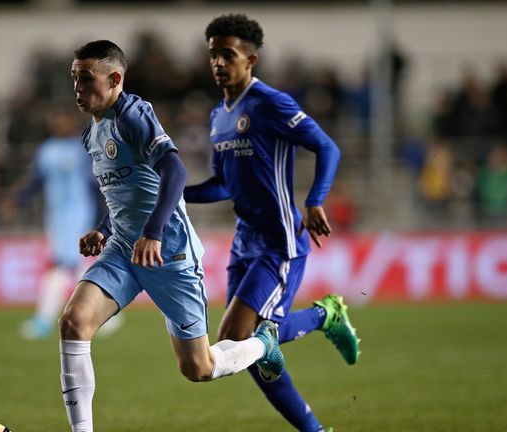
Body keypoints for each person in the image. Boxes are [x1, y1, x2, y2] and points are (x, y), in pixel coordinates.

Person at [59, 40, 284, 432]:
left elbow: (175, 173)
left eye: (85, 79)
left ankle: (263, 343)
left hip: (169, 252)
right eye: (74, 79)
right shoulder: (90, 134)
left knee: (198, 368)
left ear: (114, 79)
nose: (77, 88)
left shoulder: (133, 114)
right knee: (74, 322)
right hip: (123, 251)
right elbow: (126, 192)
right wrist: (102, 228)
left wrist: (154, 232)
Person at [184, 14, 361, 431]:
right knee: (246, 353)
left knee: (237, 340)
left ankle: (325, 315)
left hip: (280, 241)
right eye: (212, 54)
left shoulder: (270, 103)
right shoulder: (217, 116)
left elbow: (327, 148)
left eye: (227, 54)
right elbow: (222, 185)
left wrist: (315, 200)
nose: (218, 63)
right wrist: (174, 193)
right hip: (243, 242)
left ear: (251, 60)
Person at [2, 106, 121, 339]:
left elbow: (98, 184)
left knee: (62, 266)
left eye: (64, 120)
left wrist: (102, 219)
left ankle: (43, 320)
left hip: (81, 215)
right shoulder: (46, 151)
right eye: (55, 120)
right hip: (57, 218)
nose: (59, 124)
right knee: (78, 268)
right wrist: (17, 201)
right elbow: (36, 181)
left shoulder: (84, 149)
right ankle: (105, 316)